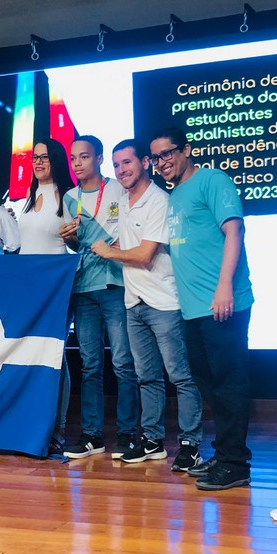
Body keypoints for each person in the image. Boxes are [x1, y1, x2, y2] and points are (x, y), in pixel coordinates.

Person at [149, 126, 254, 491]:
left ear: (186, 150)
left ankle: (235, 463)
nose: (162, 162)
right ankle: (226, 453)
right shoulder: (174, 195)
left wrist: (224, 287)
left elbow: (234, 231)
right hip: (192, 308)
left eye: (168, 153)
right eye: (156, 158)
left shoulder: (213, 180)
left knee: (229, 384)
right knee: (209, 383)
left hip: (223, 303)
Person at [90, 139, 203, 469]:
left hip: (163, 300)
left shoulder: (158, 200)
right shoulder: (123, 200)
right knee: (146, 376)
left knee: (180, 375)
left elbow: (144, 254)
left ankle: (190, 443)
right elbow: (129, 242)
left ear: (144, 163)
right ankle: (152, 439)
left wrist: (108, 252)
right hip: (133, 299)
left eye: (127, 163)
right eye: (116, 165)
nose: (121, 170)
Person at [59, 135, 139, 460]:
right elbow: (76, 244)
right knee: (90, 364)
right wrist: (70, 238)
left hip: (115, 284)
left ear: (99, 158)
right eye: (74, 157)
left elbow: (130, 232)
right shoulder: (69, 196)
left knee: (122, 362)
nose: (78, 163)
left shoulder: (118, 189)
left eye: (85, 157)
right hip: (83, 287)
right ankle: (93, 434)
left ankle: (128, 433)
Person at [18, 139, 75, 454]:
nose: (38, 162)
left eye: (45, 157)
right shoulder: (28, 195)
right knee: (29, 353)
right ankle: (32, 422)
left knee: (55, 355)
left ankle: (58, 426)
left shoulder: (66, 197)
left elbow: (76, 243)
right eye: (34, 157)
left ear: (56, 160)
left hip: (56, 288)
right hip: (28, 288)